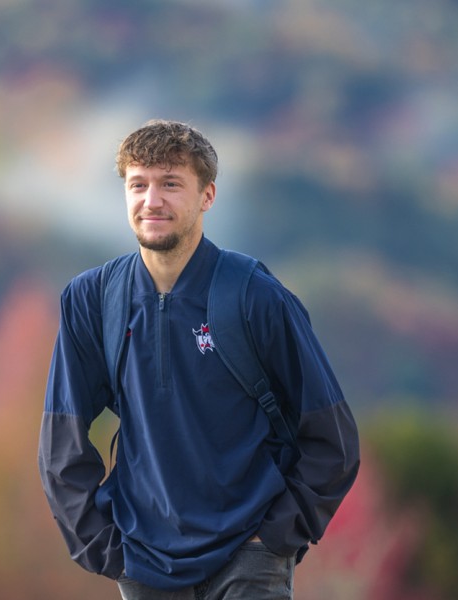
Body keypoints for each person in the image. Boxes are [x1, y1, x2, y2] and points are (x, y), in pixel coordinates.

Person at [38, 120, 360, 599]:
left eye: (171, 184)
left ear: (207, 195)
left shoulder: (254, 296)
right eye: (138, 185)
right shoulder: (92, 299)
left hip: (248, 556)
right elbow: (60, 444)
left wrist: (273, 538)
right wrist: (104, 548)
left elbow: (333, 439)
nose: (152, 200)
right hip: (143, 557)